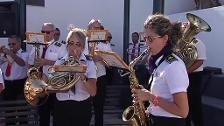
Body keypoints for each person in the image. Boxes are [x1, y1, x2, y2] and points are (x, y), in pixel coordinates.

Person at [131, 14, 189, 126]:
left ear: (165, 38)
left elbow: (182, 111)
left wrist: (149, 96)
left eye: (150, 39)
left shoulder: (173, 66)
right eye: (145, 38)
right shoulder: (160, 62)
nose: (147, 43)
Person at [53, 27, 97, 126]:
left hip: (81, 107)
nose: (74, 47)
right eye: (71, 43)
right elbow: (53, 87)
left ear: (82, 47)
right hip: (61, 107)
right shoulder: (59, 61)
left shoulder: (89, 63)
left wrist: (83, 77)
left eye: (78, 44)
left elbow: (93, 92)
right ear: (67, 45)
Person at [28, 23, 67, 126]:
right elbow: (30, 63)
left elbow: (64, 65)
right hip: (40, 85)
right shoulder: (37, 45)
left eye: (48, 32)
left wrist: (47, 62)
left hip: (54, 85)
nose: (45, 34)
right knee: (43, 116)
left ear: (54, 33)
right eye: (43, 32)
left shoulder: (61, 46)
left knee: (57, 117)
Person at [88, 19, 112, 126]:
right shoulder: (82, 42)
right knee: (85, 107)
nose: (97, 30)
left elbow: (110, 64)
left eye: (98, 28)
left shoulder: (105, 44)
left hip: (100, 77)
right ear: (89, 29)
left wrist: (100, 58)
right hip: (86, 78)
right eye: (94, 27)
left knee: (99, 108)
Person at [0, 35, 28, 101]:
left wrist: (10, 53)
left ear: (19, 43)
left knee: (22, 107)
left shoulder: (24, 53)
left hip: (20, 84)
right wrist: (2, 55)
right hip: (7, 84)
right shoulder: (5, 54)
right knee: (8, 107)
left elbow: (22, 63)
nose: (11, 46)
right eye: (9, 44)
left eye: (13, 44)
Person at [186, 39, 206, 126]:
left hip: (194, 76)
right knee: (185, 105)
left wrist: (185, 71)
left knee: (195, 106)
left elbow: (200, 61)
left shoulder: (198, 43)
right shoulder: (181, 42)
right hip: (184, 76)